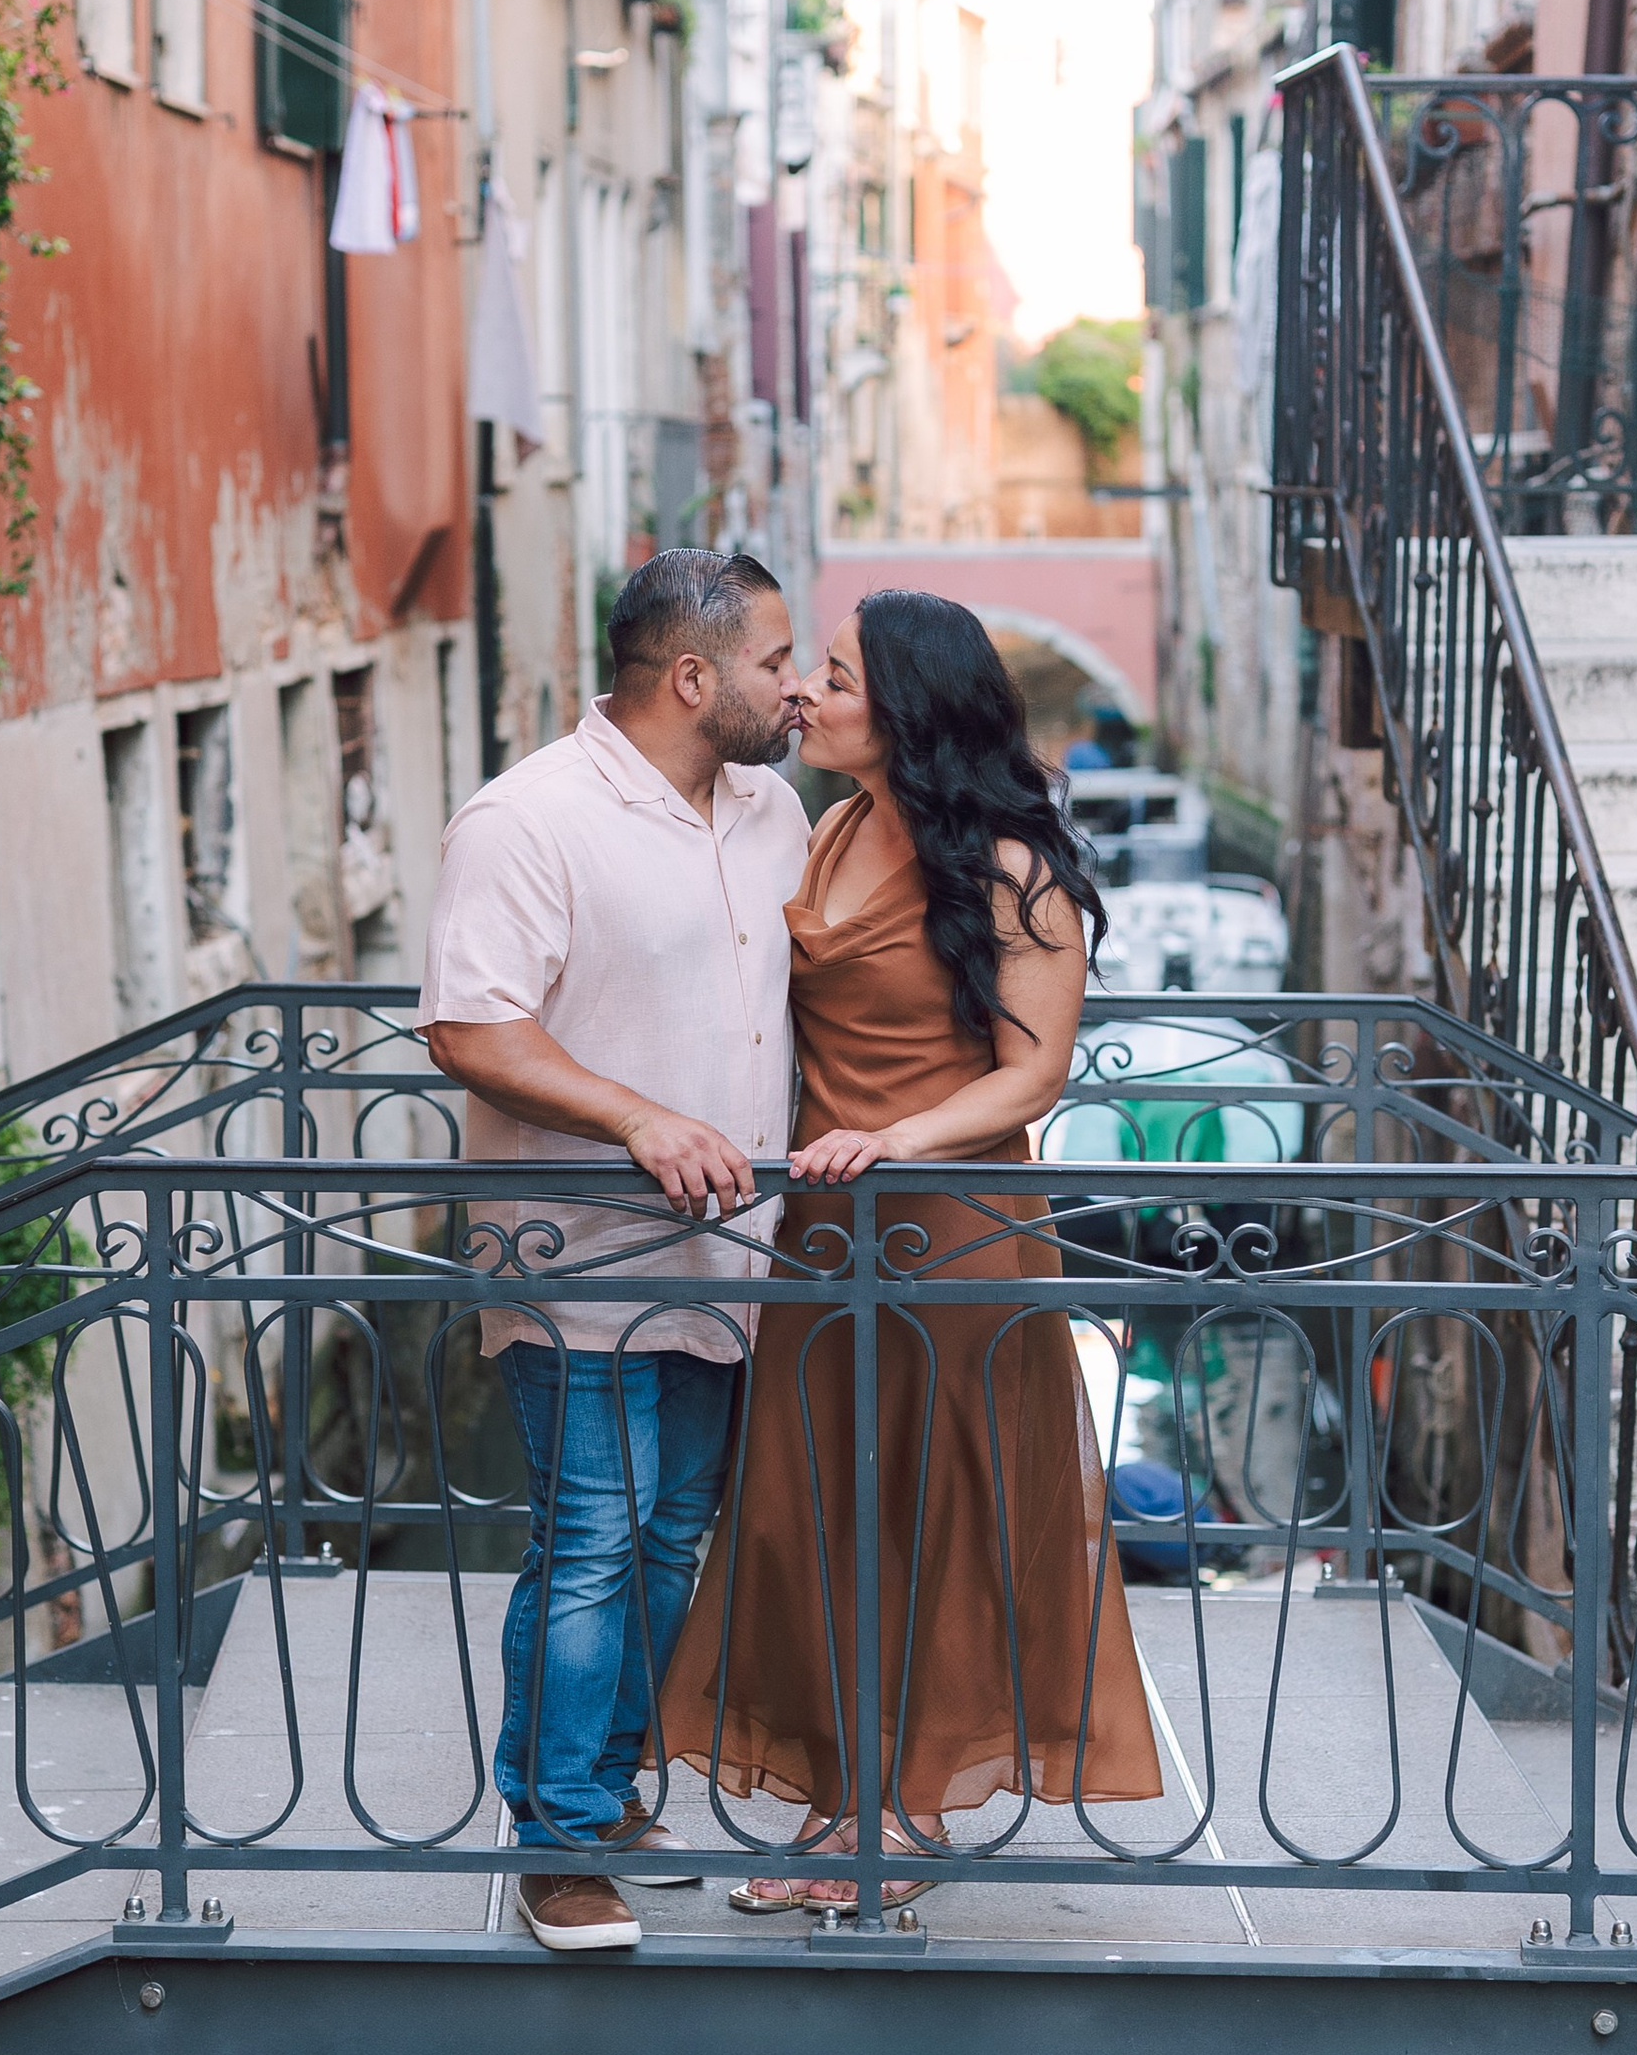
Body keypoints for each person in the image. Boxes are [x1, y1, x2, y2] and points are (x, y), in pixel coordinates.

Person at [656, 591, 1160, 1910]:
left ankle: (908, 1813)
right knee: (819, 1510)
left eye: (833, 677)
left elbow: (1032, 1077)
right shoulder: (823, 828)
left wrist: (895, 1141)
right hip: (824, 1228)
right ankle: (841, 1803)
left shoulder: (1012, 868)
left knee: (934, 1512)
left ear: (908, 709)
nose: (804, 695)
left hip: (952, 1227)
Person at [418, 549, 808, 1954]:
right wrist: (641, 1118)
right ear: (693, 677)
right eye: (776, 661)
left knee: (668, 1536)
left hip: (736, 1257)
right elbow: (473, 1027)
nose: (798, 686)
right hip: (578, 1253)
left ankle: (607, 1791)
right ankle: (558, 1840)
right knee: (589, 1540)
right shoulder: (526, 820)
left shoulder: (774, 809)